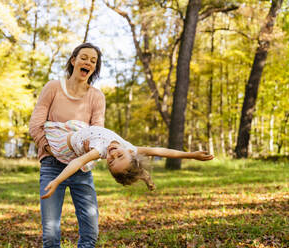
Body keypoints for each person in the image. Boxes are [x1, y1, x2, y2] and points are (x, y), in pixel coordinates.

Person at [29, 43, 105, 248]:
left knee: (91, 234)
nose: (88, 62)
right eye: (84, 57)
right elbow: (36, 124)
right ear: (73, 61)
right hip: (52, 166)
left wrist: (89, 149)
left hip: (81, 168)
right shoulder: (53, 87)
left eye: (93, 60)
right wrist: (50, 148)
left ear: (95, 68)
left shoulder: (96, 97)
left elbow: (98, 133)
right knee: (51, 236)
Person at [40, 120, 214, 199]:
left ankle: (49, 148)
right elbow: (159, 151)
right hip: (78, 128)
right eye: (119, 155)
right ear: (130, 153)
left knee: (43, 139)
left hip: (64, 142)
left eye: (111, 161)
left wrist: (57, 181)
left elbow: (77, 162)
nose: (112, 153)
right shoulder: (129, 147)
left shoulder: (100, 149)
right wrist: (191, 155)